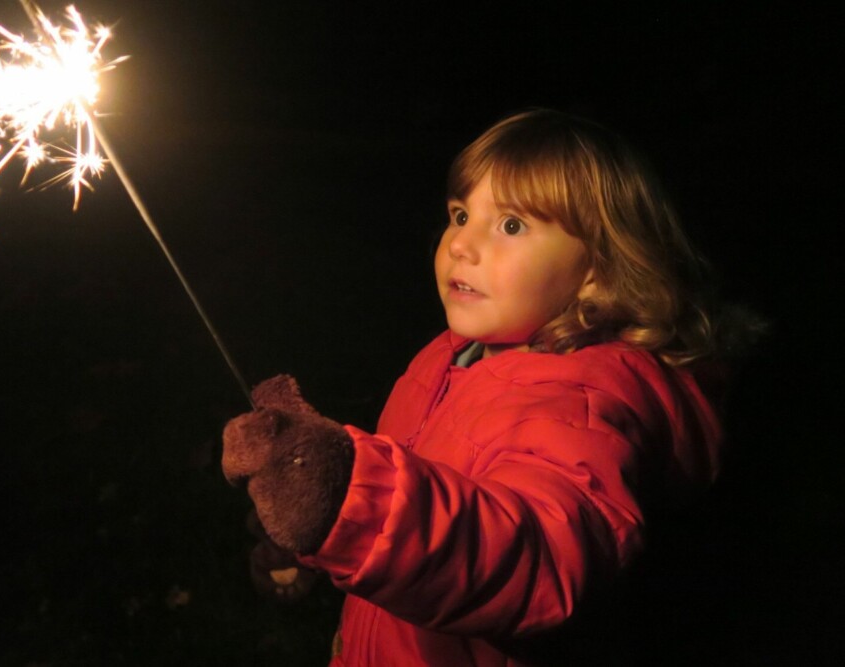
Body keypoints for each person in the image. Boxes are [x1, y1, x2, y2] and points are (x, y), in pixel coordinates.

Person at [222, 109, 748, 666]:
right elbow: (424, 507)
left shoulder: (586, 404)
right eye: (460, 213)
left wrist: (351, 500)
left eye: (511, 225)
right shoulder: (449, 356)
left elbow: (540, 562)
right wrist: (318, 536)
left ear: (599, 265)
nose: (461, 246)